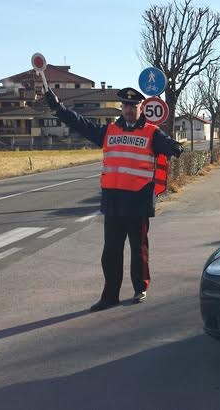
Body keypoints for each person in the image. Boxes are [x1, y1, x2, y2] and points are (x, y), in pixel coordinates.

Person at [45, 87, 183, 312]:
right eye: (126, 105)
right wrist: (58, 108)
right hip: (113, 202)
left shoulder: (151, 132)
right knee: (110, 253)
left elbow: (167, 145)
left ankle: (140, 287)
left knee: (139, 250)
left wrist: (174, 148)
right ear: (122, 107)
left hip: (137, 203)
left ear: (141, 107)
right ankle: (110, 295)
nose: (129, 109)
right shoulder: (109, 130)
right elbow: (80, 124)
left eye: (133, 105)